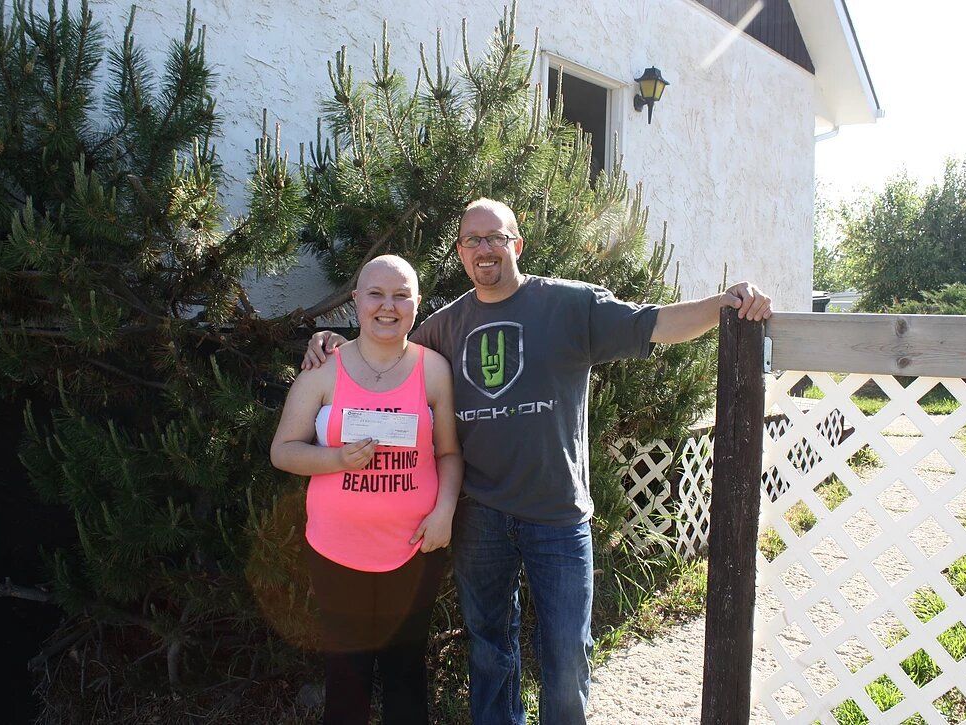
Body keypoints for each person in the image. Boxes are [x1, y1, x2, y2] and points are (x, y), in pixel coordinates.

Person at [302, 199, 773, 724]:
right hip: (480, 516)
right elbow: (386, 344)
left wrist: (723, 305)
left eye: (496, 237)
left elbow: (656, 324)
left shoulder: (570, 306)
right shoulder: (446, 326)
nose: (485, 249)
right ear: (460, 252)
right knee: (489, 653)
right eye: (473, 240)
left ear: (517, 244)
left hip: (558, 516)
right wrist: (331, 341)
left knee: (567, 659)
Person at [272, 255, 463, 725]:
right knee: (347, 675)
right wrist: (336, 459)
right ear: (355, 301)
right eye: (376, 294)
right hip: (337, 550)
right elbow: (283, 450)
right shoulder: (324, 368)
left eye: (401, 295)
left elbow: (449, 454)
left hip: (416, 547)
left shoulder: (433, 370)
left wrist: (444, 513)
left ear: (417, 304)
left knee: (405, 672)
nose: (388, 306)